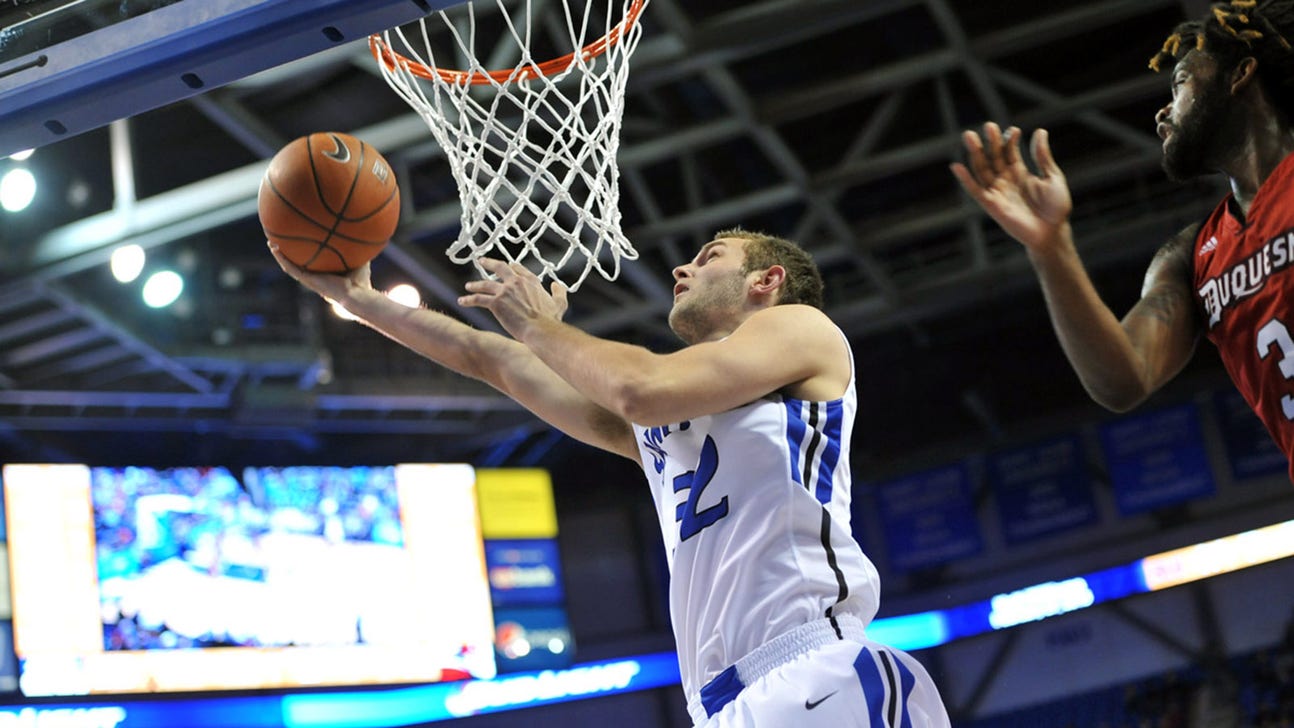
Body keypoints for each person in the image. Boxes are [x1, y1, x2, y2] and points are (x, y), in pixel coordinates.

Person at [270, 229, 949, 726]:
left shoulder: (804, 330)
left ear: (765, 281)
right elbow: (487, 358)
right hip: (724, 706)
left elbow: (635, 387)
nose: (682, 267)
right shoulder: (659, 429)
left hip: (817, 669)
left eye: (711, 255)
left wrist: (538, 326)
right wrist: (358, 298)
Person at [951, 0, 1294, 482]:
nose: (1162, 112)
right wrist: (1050, 247)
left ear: (1240, 75)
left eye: (1180, 83)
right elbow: (1123, 379)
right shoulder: (1191, 254)